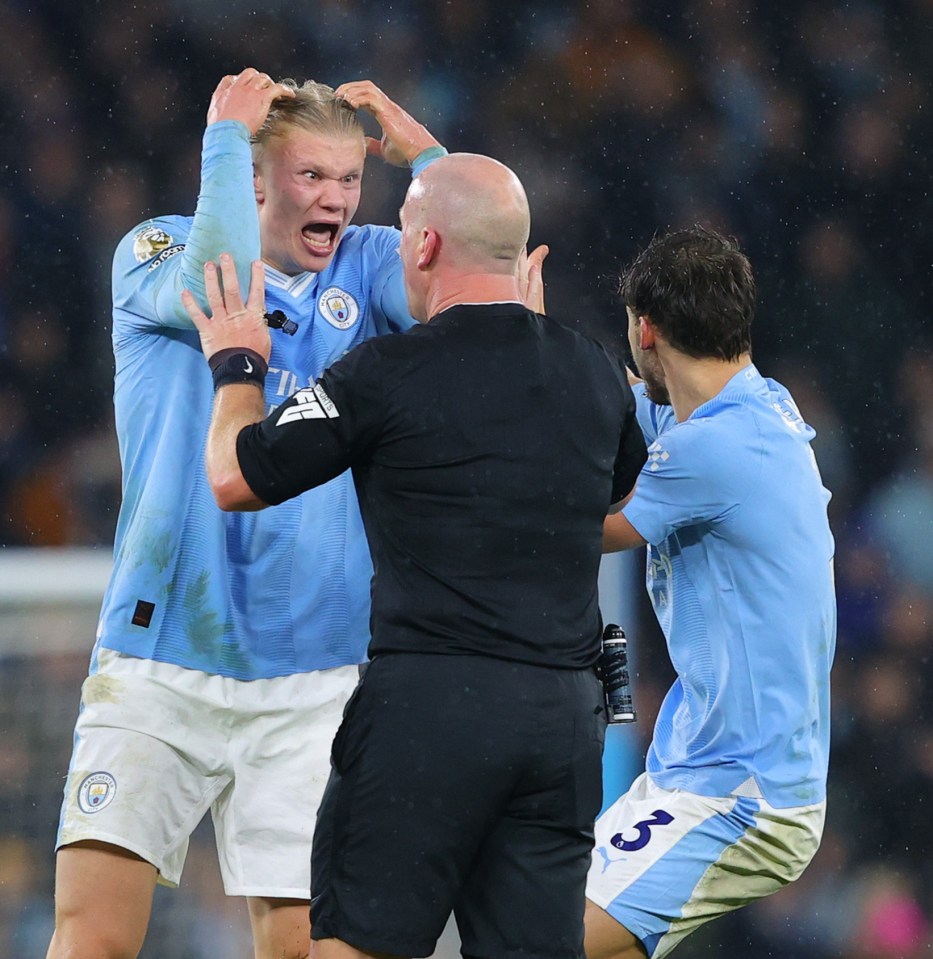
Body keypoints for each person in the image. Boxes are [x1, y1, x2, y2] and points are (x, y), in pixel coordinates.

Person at [181, 152, 648, 959]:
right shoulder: (594, 370)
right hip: (561, 725)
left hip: (428, 709)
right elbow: (622, 497)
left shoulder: (385, 372)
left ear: (425, 246)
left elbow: (234, 476)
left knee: (354, 947)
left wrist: (237, 364)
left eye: (401, 231)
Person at [47, 69, 446, 959]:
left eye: (350, 180)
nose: (337, 200)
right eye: (312, 176)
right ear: (255, 181)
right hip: (160, 652)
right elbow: (222, 278)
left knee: (302, 945)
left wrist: (423, 157)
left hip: (314, 667)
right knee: (93, 936)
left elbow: (475, 268)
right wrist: (223, 141)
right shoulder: (157, 252)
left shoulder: (371, 266)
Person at [582, 227, 837, 959]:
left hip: (740, 794)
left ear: (646, 328)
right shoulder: (752, 406)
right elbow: (632, 401)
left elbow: (581, 529)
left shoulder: (711, 450)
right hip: (701, 772)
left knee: (535, 934)